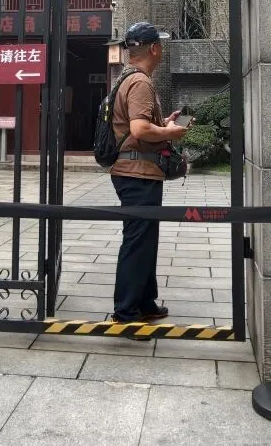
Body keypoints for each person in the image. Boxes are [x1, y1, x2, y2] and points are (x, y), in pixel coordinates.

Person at [108, 22, 190, 323]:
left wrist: (163, 123)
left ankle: (144, 302)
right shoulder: (140, 82)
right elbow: (140, 129)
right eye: (161, 45)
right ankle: (126, 310)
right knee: (138, 240)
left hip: (137, 170)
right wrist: (171, 132)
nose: (162, 49)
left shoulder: (127, 78)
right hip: (137, 172)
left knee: (145, 239)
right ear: (154, 48)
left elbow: (138, 126)